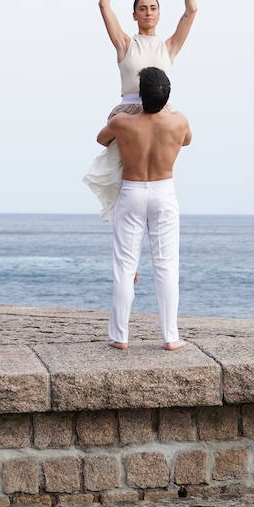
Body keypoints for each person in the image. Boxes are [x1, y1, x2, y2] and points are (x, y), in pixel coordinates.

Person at [83, 0, 197, 222]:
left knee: (157, 179)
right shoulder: (125, 44)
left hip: (160, 112)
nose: (148, 12)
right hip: (129, 114)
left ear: (159, 14)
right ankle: (128, 251)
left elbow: (191, 11)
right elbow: (104, 6)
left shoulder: (169, 47)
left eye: (153, 8)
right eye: (142, 9)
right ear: (134, 15)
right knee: (124, 187)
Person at [96, 67, 192, 351]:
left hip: (133, 190)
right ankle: (170, 337)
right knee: (166, 265)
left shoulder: (123, 122)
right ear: (167, 95)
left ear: (140, 94)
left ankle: (120, 337)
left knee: (125, 266)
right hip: (164, 191)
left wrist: (125, 114)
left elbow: (101, 139)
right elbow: (187, 140)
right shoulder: (179, 121)